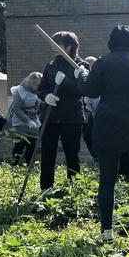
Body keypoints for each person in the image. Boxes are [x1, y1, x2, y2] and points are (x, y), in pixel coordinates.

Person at [76, 25, 129, 242]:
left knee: (107, 181)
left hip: (108, 119)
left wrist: (82, 75)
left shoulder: (102, 62)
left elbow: (90, 90)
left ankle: (107, 232)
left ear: (111, 42)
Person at [37, 31, 88, 190]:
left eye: (57, 43)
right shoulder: (51, 66)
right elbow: (42, 87)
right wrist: (45, 96)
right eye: (53, 43)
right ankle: (46, 188)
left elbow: (84, 90)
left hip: (71, 117)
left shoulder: (81, 65)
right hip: (50, 117)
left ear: (69, 46)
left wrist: (66, 82)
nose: (53, 47)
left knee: (72, 155)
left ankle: (74, 190)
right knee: (47, 155)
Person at [8, 72, 43, 165]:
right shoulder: (20, 91)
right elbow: (16, 109)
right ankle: (13, 166)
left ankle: (29, 166)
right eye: (37, 85)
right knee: (20, 145)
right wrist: (28, 122)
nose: (38, 87)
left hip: (34, 120)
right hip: (20, 122)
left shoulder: (39, 92)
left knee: (32, 145)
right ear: (31, 83)